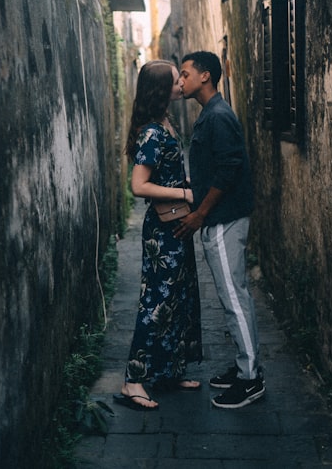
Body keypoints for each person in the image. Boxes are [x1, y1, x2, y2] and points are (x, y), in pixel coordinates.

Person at [173, 51, 264, 409]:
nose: (180, 81)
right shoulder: (211, 115)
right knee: (236, 297)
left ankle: (251, 379)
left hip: (224, 219)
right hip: (220, 217)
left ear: (205, 76)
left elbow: (229, 169)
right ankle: (247, 365)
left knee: (233, 299)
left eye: (185, 74)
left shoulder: (219, 116)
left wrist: (199, 214)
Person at [113, 60, 203, 412]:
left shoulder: (167, 122)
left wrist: (184, 186)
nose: (181, 82)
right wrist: (184, 194)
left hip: (175, 226)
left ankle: (167, 371)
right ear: (161, 88)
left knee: (177, 299)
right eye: (175, 78)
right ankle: (132, 381)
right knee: (156, 304)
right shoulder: (152, 132)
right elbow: (139, 186)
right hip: (162, 232)